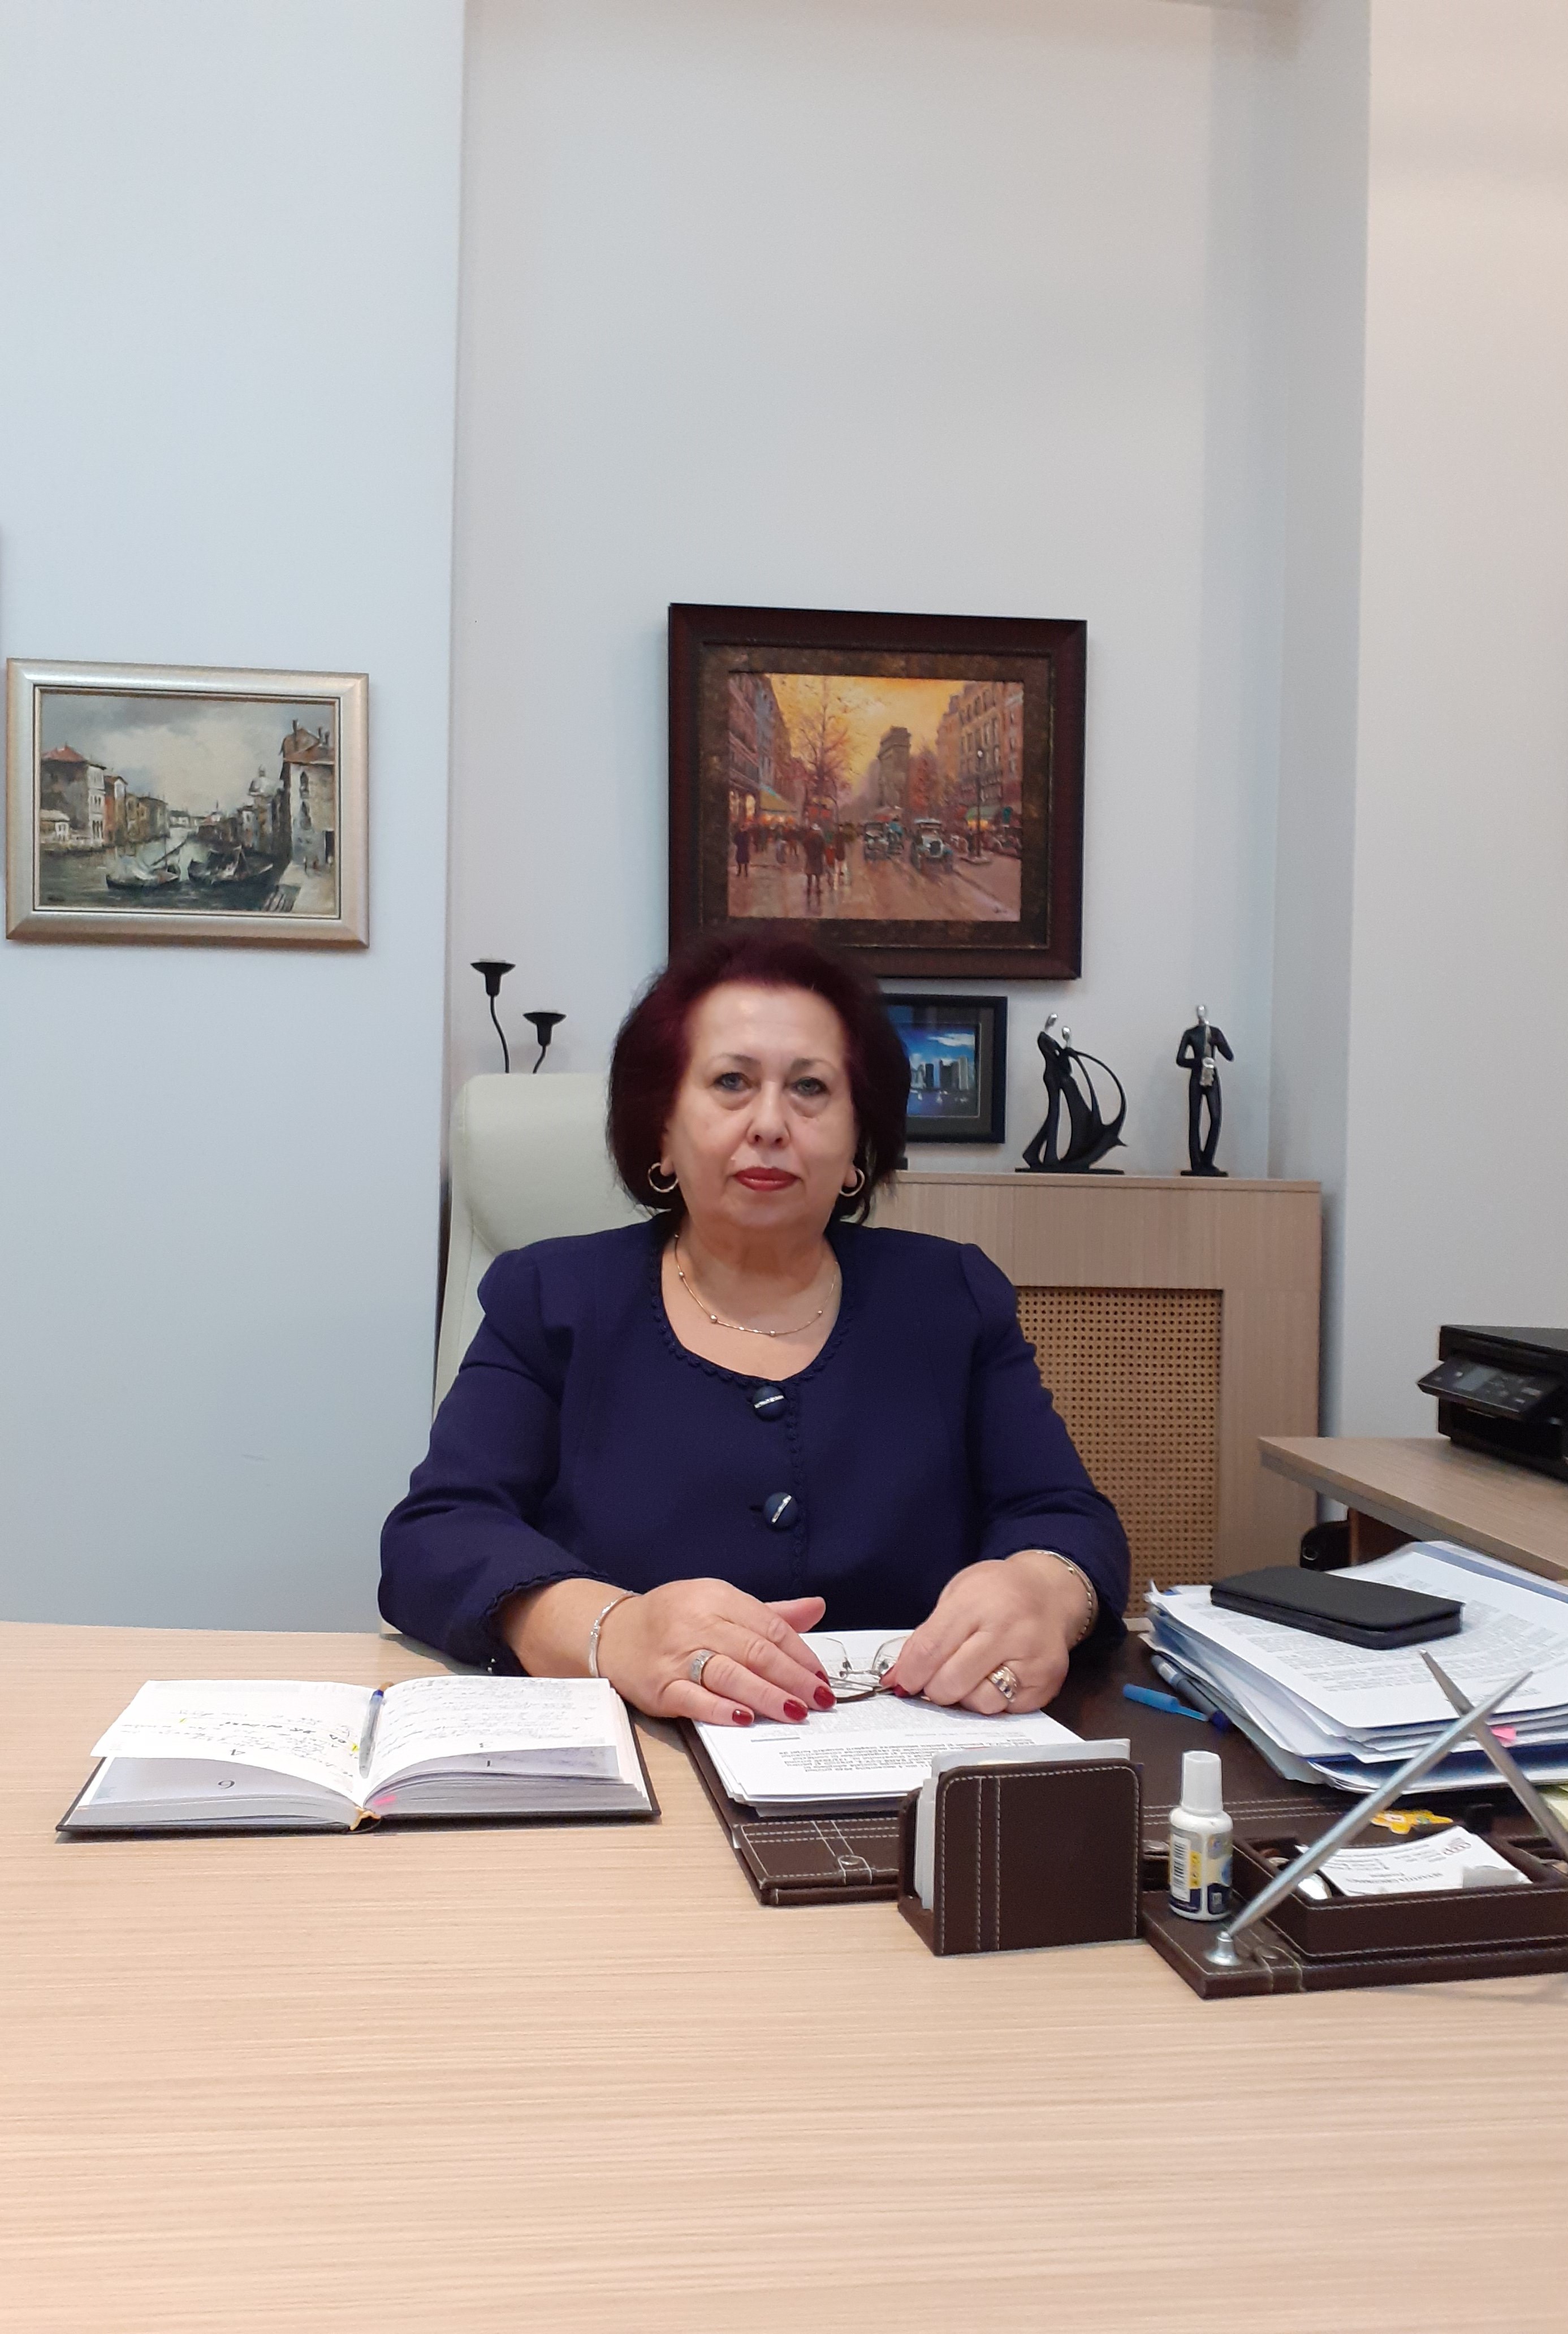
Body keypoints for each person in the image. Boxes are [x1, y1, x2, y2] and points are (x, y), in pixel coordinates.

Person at [380, 931, 1129, 1730]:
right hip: (640, 1753)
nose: (770, 1122)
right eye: (731, 1082)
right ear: (663, 1132)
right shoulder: (552, 1297)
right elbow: (437, 1536)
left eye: (810, 1088)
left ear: (857, 1145)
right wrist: (610, 1630)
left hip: (915, 1753)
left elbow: (1066, 1516)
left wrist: (1042, 1590)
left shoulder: (949, 1297)